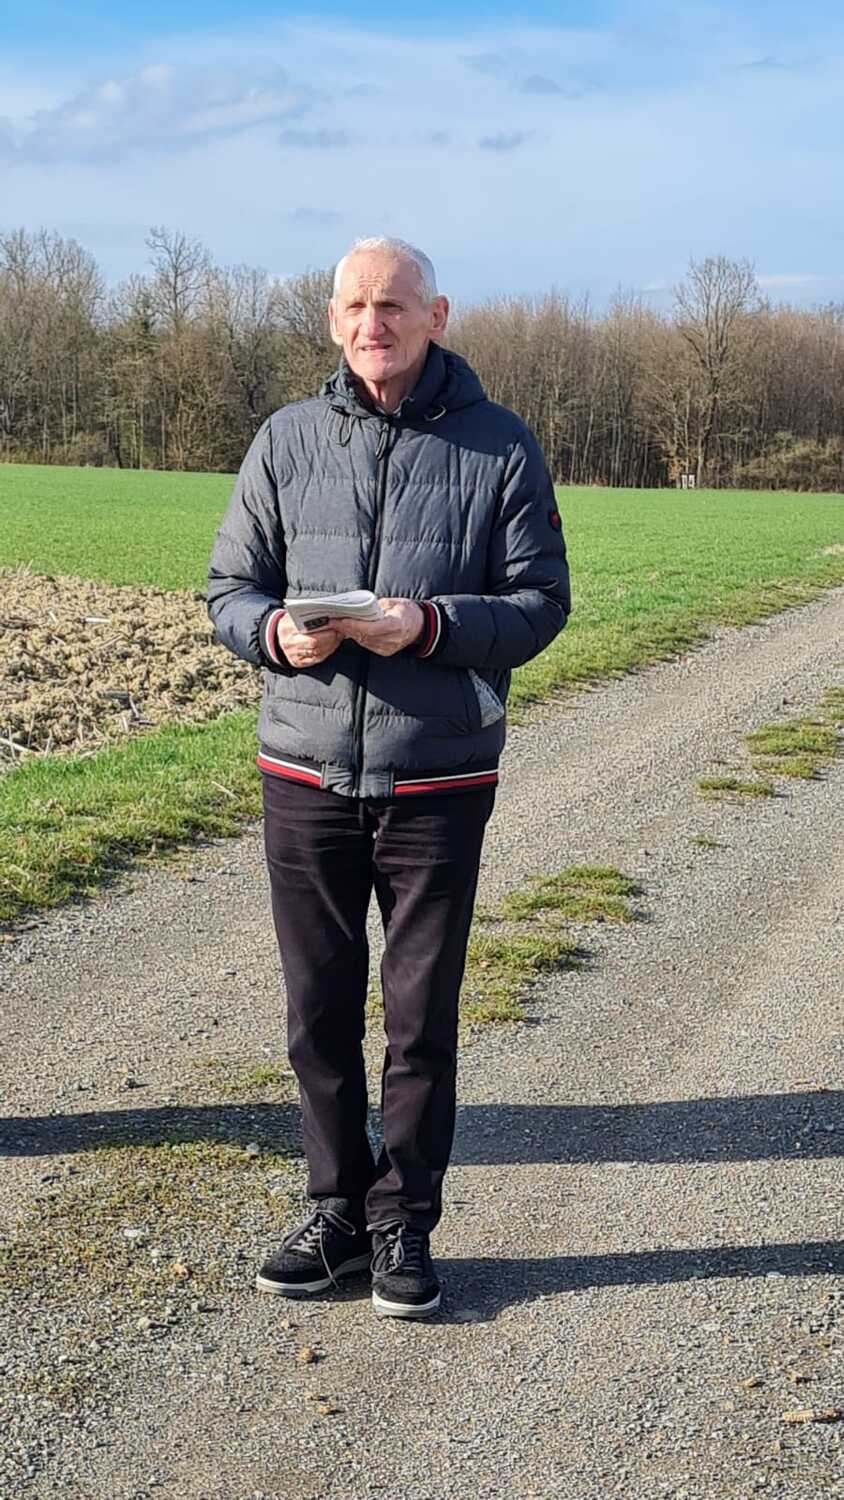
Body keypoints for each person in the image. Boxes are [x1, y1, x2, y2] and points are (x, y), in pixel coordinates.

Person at [207, 236, 570, 1319]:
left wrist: (428, 625)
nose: (375, 323)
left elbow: (540, 603)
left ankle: (404, 1220)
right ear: (333, 319)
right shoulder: (286, 439)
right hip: (302, 770)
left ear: (436, 316)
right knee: (316, 1010)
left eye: (396, 306)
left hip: (436, 779)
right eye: (357, 306)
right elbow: (229, 587)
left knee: (419, 1015)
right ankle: (334, 1212)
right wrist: (273, 633)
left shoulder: (500, 445)